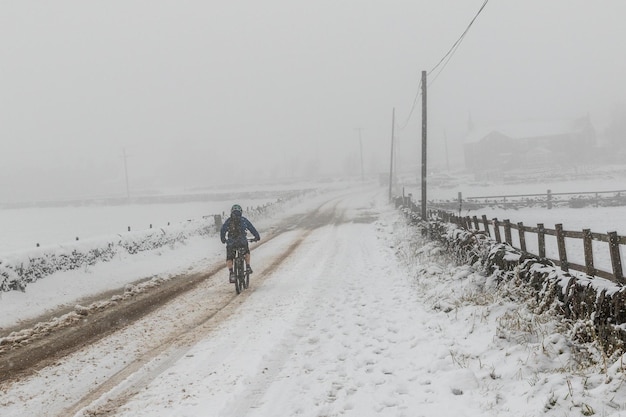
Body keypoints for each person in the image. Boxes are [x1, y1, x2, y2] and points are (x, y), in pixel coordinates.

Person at [220, 204, 261, 283]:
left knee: (229, 257)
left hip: (231, 243)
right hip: (242, 241)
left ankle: (231, 272)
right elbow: (251, 228)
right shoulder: (243, 220)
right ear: (241, 212)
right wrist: (257, 236)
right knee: (246, 252)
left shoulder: (229, 220)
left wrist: (223, 239)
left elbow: (223, 230)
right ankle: (248, 266)